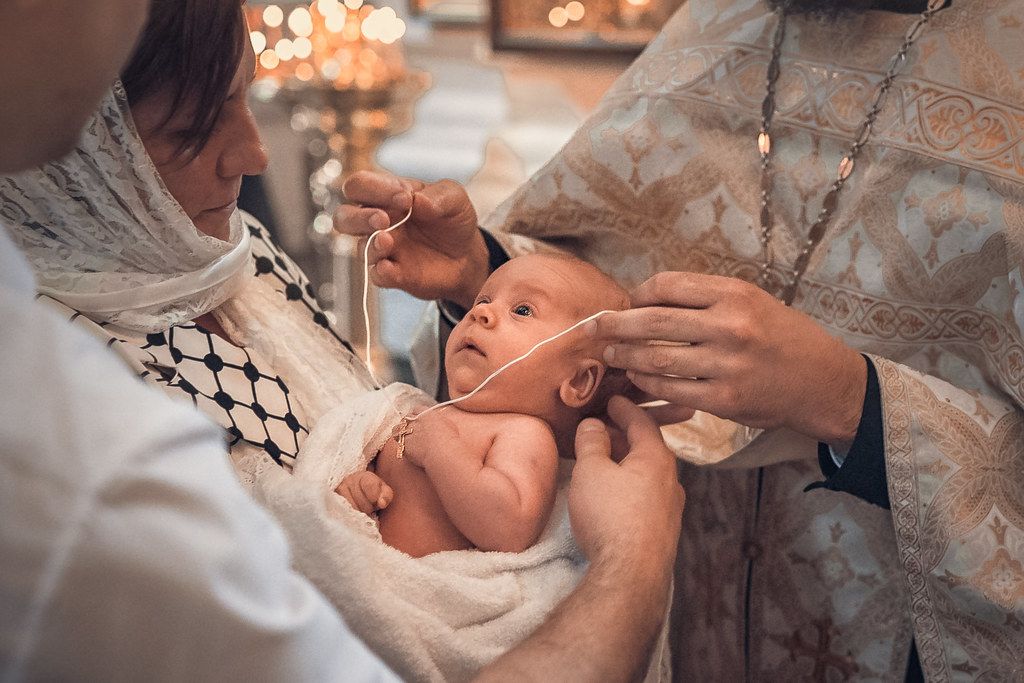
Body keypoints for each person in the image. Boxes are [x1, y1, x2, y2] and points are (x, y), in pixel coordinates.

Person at [336, 0, 1024, 678]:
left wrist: (851, 398)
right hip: (659, 601)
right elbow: (587, 305)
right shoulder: (719, 26)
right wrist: (482, 273)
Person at [0, 1, 684, 682]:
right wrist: (633, 562)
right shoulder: (65, 403)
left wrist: (470, 289)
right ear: (85, 163)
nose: (254, 151)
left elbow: (372, 435)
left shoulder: (227, 251)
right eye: (192, 130)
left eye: (243, 96)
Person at [337, 253, 630, 557]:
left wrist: (440, 449)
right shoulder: (426, 410)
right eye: (482, 300)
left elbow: (508, 529)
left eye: (522, 310)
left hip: (434, 593)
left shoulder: (524, 433)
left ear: (578, 381)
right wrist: (361, 489)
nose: (482, 312)